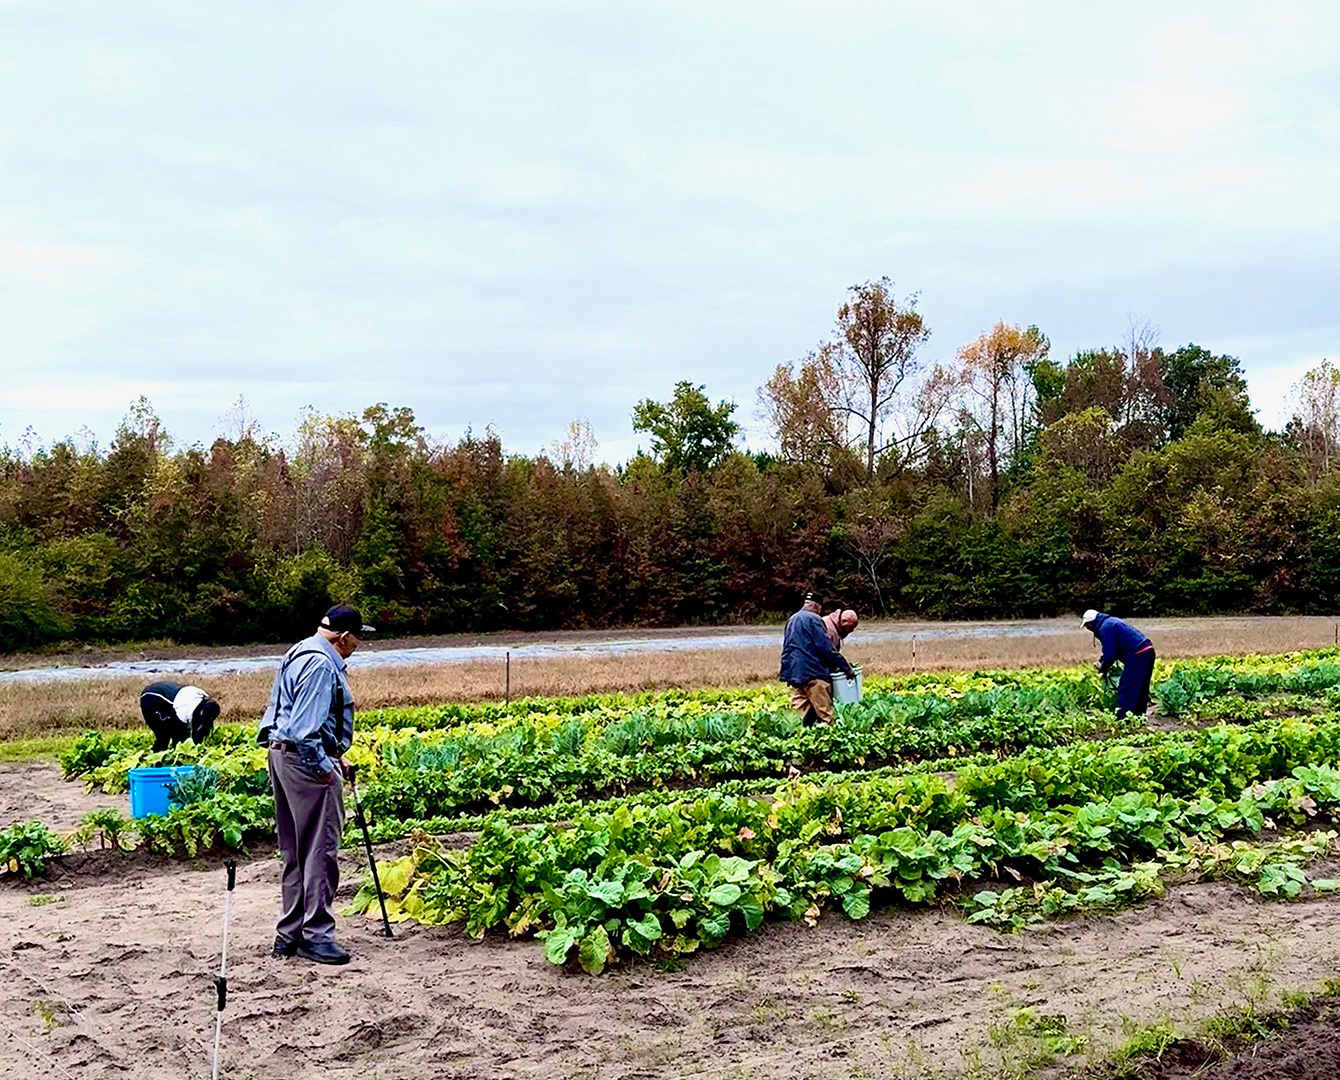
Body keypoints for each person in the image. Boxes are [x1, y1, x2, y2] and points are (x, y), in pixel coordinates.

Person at [257, 604, 374, 966]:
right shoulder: (323, 665)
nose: (358, 645)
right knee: (320, 851)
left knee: (295, 850)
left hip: (282, 757)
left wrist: (333, 753)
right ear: (342, 637)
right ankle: (316, 936)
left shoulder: (301, 650)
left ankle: (288, 934)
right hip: (304, 766)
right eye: (358, 638)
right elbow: (305, 730)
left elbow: (292, 718)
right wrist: (324, 766)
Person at [780, 595, 857, 725]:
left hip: (793, 673)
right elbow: (826, 648)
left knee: (798, 718)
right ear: (816, 605)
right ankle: (830, 741)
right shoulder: (813, 619)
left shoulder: (792, 619)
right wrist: (846, 668)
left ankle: (796, 742)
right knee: (826, 715)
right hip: (813, 673)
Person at [1082, 609, 1155, 719]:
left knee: (1127, 687)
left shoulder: (1105, 628)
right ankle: (1139, 716)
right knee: (1141, 687)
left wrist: (1103, 667)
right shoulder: (1110, 622)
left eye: (1087, 626)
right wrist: (1103, 660)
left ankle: (1124, 718)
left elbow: (1111, 654)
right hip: (1148, 651)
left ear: (1091, 623)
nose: (1088, 629)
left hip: (1137, 654)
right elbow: (1112, 650)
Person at [138, 682, 220, 752]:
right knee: (164, 734)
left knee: (183, 733)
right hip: (151, 698)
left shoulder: (206, 702)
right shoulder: (184, 709)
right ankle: (157, 758)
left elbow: (199, 727)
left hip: (174, 695)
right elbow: (180, 731)